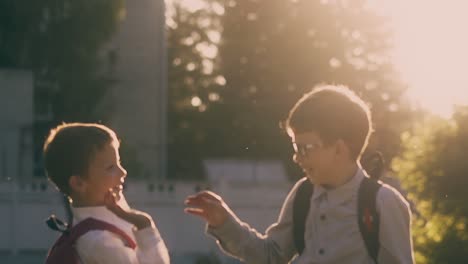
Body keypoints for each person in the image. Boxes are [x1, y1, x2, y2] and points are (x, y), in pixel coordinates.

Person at [184, 85, 414, 263]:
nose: (297, 157)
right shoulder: (303, 195)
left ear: (338, 149)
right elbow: (272, 256)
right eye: (296, 148)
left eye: (305, 148)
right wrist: (226, 223)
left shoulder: (383, 204)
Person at [43, 122, 170, 264]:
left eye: (119, 163)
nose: (123, 172)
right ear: (79, 183)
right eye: (111, 167)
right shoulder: (99, 241)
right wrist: (144, 225)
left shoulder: (106, 219)